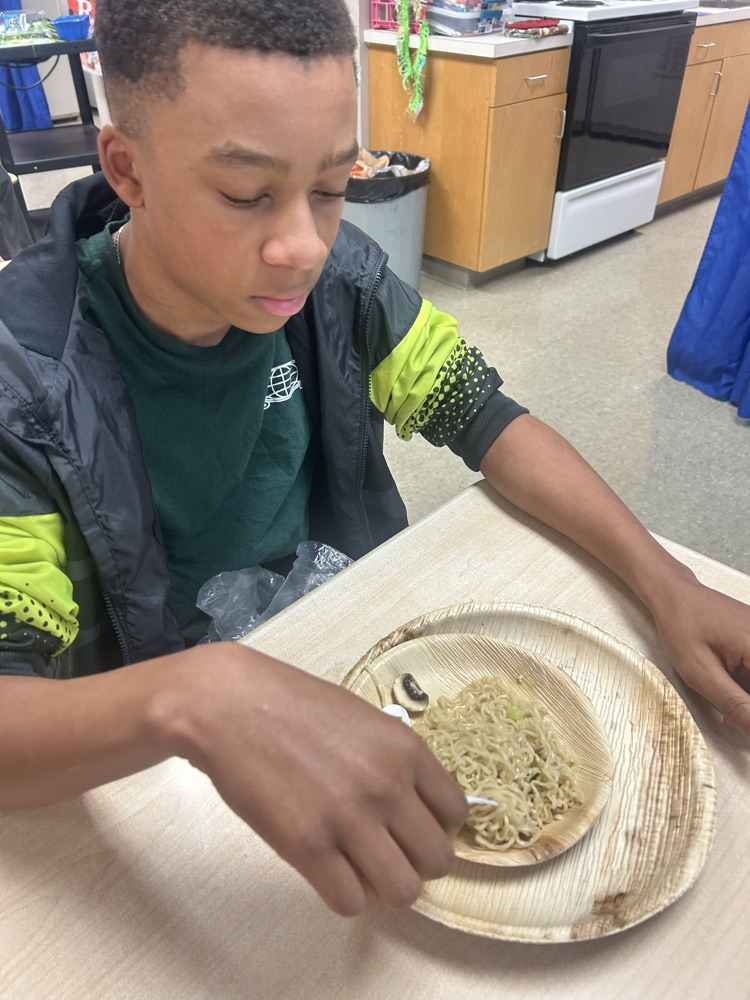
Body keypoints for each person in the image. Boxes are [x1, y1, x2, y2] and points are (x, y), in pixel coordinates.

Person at [0, 0, 748, 918]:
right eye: (245, 195)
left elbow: (490, 420)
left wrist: (666, 584)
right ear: (129, 168)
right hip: (162, 758)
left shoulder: (339, 285)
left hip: (359, 669)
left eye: (330, 185)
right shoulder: (25, 384)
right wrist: (198, 696)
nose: (304, 246)